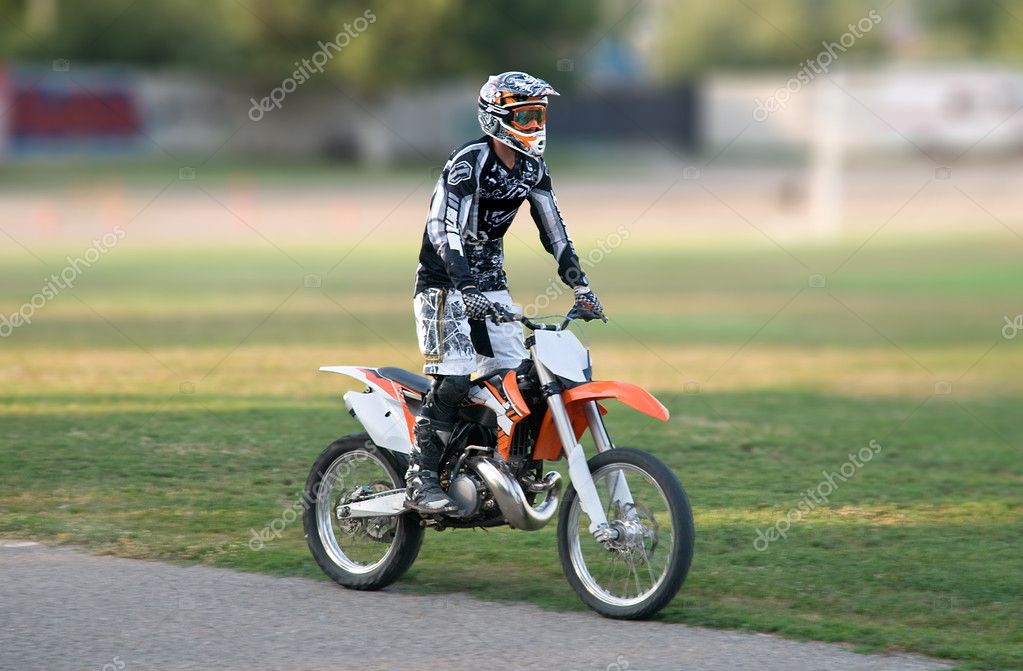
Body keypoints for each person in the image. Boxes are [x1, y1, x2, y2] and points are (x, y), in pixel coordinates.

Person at [406, 71, 604, 513]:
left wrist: (582, 286)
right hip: (443, 285)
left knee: (521, 381)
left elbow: (555, 230)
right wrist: (466, 285)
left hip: (490, 286)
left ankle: (502, 467)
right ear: (497, 118)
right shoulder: (469, 161)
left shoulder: (533, 168)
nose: (536, 127)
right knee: (455, 378)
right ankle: (422, 477)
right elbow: (443, 226)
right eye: (527, 117)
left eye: (540, 117)